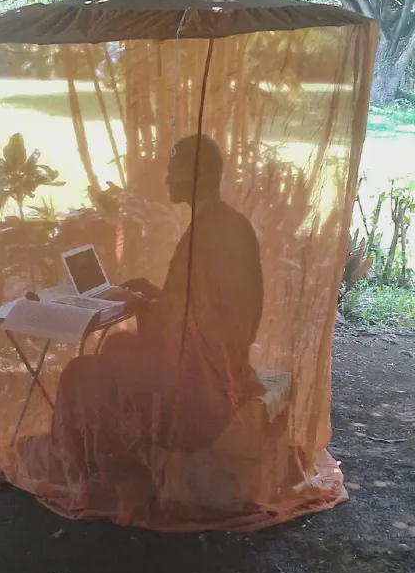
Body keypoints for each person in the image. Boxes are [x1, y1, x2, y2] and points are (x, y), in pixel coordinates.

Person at [49, 134, 264, 469]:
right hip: (223, 363)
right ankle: (115, 460)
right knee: (118, 347)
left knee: (79, 373)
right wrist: (150, 292)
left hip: (201, 384)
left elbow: (194, 321)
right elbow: (200, 305)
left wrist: (141, 305)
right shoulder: (230, 224)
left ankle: (96, 470)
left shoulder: (208, 235)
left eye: (174, 171)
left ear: (202, 176)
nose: (166, 179)